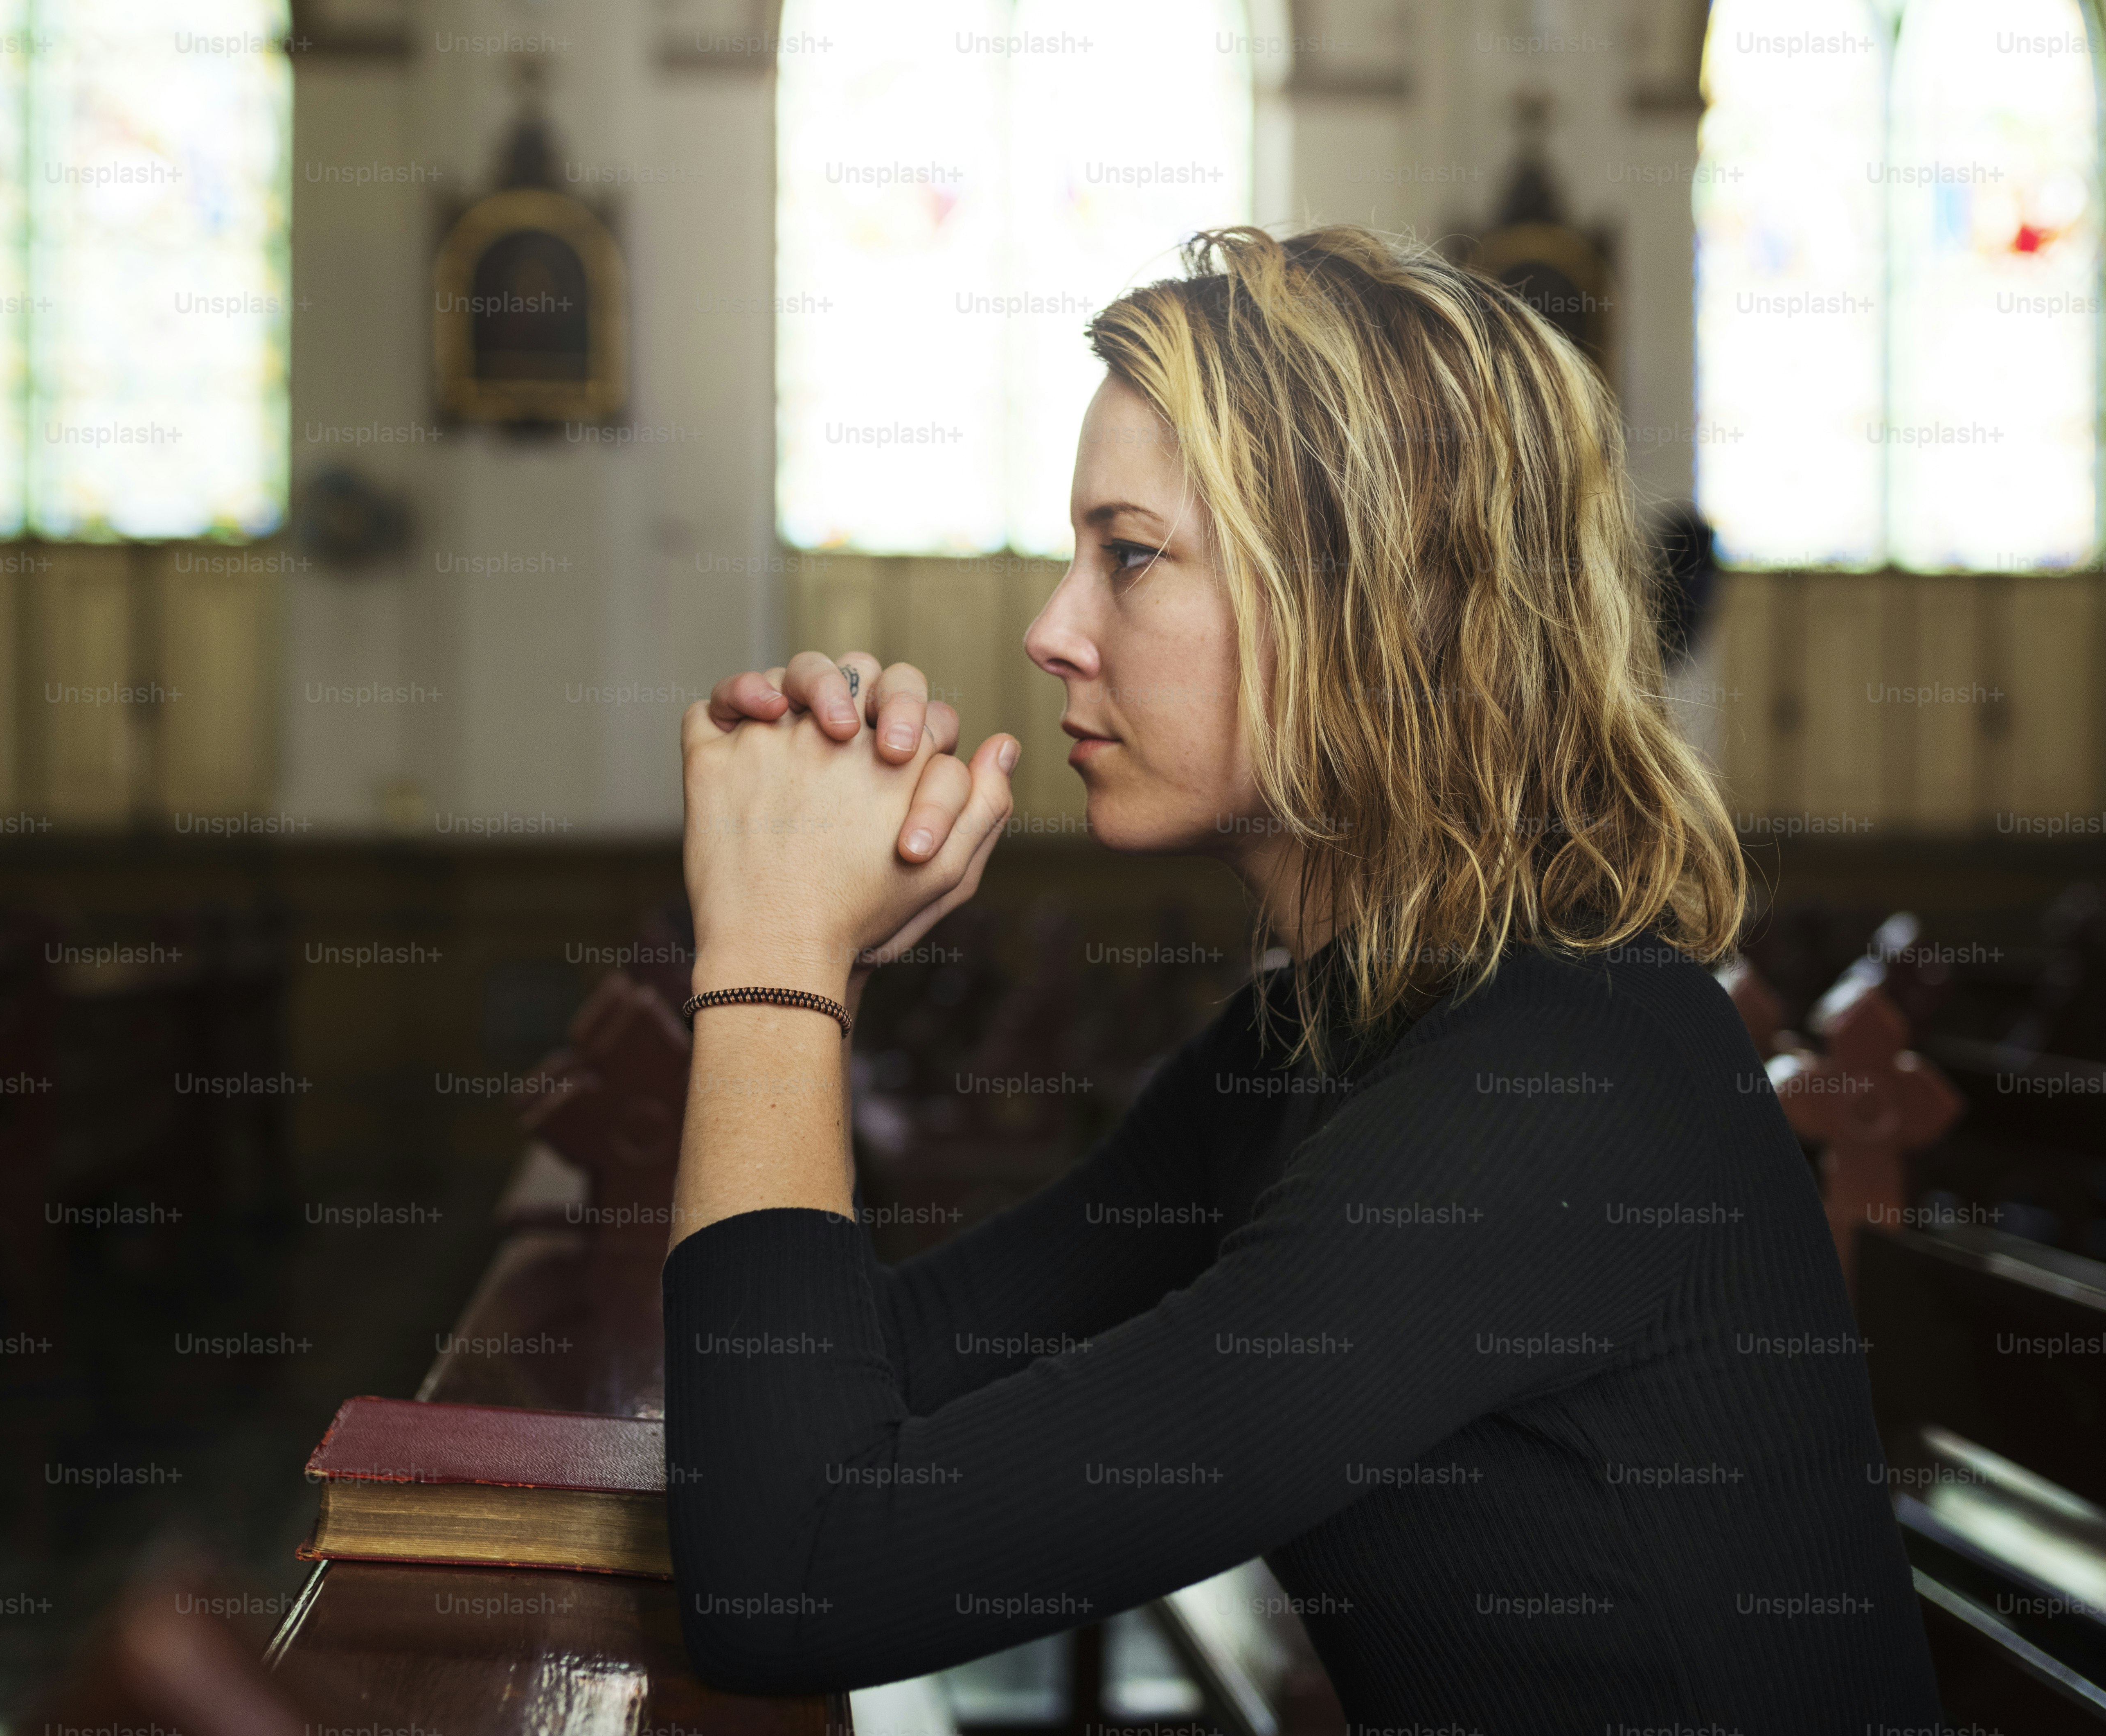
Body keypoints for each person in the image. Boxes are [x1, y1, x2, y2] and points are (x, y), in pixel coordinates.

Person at [662, 226, 1941, 1730]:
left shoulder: (1556, 1089)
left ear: (1368, 605)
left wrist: (767, 964)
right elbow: (840, 1396)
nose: (1052, 630)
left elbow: (790, 1581)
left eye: (1128, 556)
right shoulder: (1309, 1040)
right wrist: (820, 962)